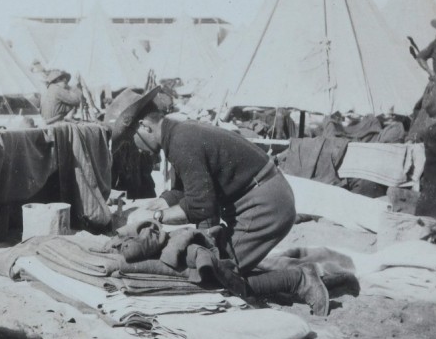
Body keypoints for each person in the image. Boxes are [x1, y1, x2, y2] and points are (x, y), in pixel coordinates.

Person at [105, 86, 335, 315]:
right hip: (262, 198)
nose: (136, 147)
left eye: (131, 139)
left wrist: (156, 216)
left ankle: (299, 280)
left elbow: (201, 205)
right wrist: (160, 203)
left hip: (265, 206)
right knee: (219, 261)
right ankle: (296, 276)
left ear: (145, 126)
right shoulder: (178, 132)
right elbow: (187, 189)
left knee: (216, 276)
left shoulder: (181, 142)